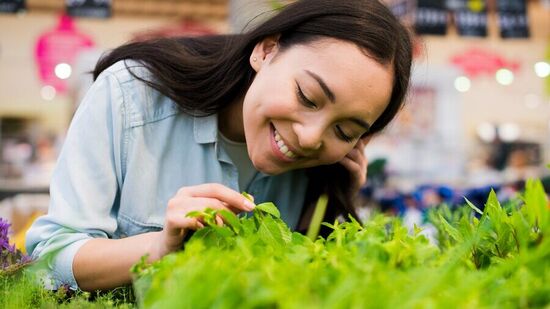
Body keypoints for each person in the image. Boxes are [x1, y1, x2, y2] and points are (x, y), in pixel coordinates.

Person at [26, 0, 412, 291]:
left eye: (344, 131)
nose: (311, 138)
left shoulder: (321, 173)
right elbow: (47, 260)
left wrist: (337, 209)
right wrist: (160, 247)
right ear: (267, 50)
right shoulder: (131, 95)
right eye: (308, 97)